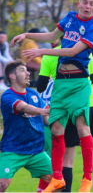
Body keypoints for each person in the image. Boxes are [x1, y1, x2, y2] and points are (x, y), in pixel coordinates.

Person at [11, 0, 93, 192]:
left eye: (92, 4)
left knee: (82, 127)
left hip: (79, 82)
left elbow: (71, 51)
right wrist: (26, 34)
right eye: (85, 2)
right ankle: (58, 178)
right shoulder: (70, 18)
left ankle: (87, 179)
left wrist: (40, 50)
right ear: (79, 3)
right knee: (56, 130)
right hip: (60, 82)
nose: (87, 6)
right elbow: (52, 34)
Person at [36, 46, 93, 192]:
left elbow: (41, 85)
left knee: (67, 155)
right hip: (90, 102)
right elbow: (91, 79)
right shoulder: (86, 51)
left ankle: (63, 184)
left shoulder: (50, 54)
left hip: (65, 106)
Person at [0, 60, 52, 192]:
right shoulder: (7, 95)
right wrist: (40, 111)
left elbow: (47, 119)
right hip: (13, 150)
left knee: (58, 184)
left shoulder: (33, 94)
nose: (28, 73)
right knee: (2, 185)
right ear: (12, 76)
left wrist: (64, 125)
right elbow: (23, 107)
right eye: (23, 70)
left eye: (27, 70)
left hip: (36, 151)